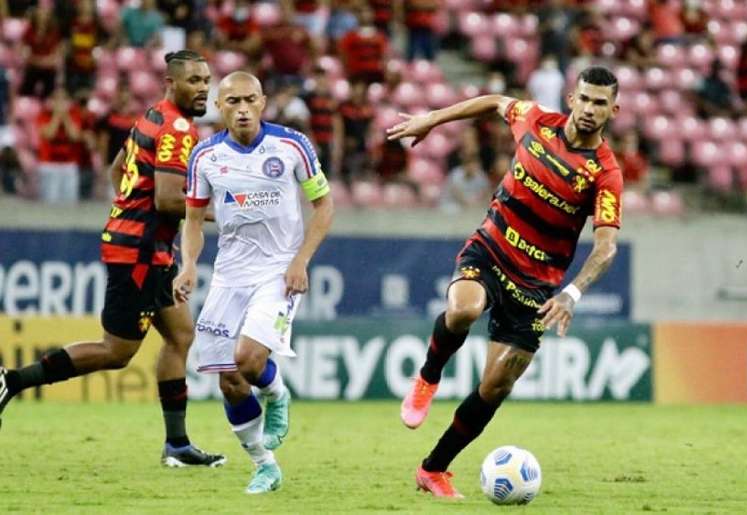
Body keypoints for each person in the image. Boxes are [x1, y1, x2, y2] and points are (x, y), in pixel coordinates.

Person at [386, 66, 623, 498]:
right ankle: (427, 377)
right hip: (491, 249)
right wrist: (432, 118)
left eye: (600, 103)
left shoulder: (604, 173)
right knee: (463, 309)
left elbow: (606, 246)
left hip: (537, 284)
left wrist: (572, 292)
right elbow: (495, 102)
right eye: (584, 99)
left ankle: (433, 470)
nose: (590, 109)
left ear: (613, 109)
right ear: (571, 99)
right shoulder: (534, 120)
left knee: (496, 385)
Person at [0, 50, 225, 469]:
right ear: (171, 83)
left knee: (180, 337)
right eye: (194, 80)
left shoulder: (151, 116)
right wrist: (227, 214)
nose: (203, 88)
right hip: (140, 252)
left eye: (206, 79)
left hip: (145, 247)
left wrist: (128, 208)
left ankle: (177, 444)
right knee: (117, 351)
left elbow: (116, 169)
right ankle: (11, 381)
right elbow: (169, 199)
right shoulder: (177, 129)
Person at [173, 71, 334, 494]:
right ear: (219, 107)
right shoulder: (205, 156)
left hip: (278, 271)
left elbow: (324, 206)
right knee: (228, 379)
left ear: (262, 102)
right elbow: (192, 220)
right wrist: (189, 264)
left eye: (249, 100)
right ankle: (265, 465)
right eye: (232, 102)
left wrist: (301, 260)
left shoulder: (292, 145)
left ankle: (277, 394)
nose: (242, 109)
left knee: (248, 358)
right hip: (229, 275)